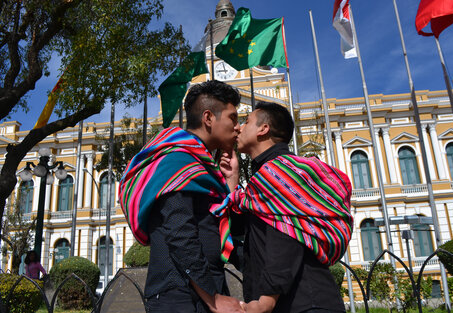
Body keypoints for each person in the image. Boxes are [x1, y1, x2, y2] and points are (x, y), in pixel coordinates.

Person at [118, 80, 243, 313]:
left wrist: (231, 184)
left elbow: (215, 229)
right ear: (208, 118)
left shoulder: (201, 166)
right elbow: (180, 231)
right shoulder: (178, 160)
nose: (238, 127)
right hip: (180, 295)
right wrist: (213, 299)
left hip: (202, 291)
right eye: (233, 118)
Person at [219, 101, 354, 313]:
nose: (239, 128)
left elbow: (285, 237)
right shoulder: (265, 180)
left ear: (264, 130)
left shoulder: (278, 173)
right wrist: (232, 182)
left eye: (247, 122)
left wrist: (267, 299)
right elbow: (243, 235)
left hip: (305, 303)